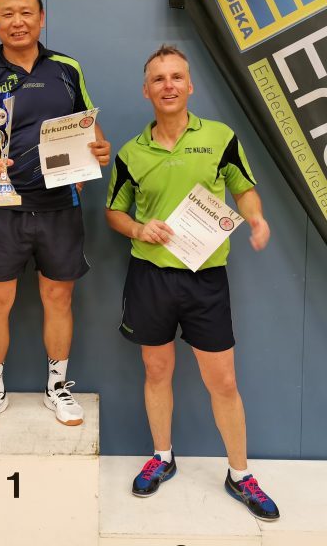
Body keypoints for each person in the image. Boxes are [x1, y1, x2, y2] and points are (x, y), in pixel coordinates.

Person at [105, 45, 279, 521]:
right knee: (157, 371)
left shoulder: (221, 137)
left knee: (223, 381)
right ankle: (162, 457)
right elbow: (113, 212)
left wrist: (256, 218)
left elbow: (244, 188)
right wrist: (138, 228)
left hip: (206, 279)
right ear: (146, 90)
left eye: (176, 77)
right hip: (150, 278)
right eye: (158, 79)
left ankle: (240, 474)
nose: (169, 85)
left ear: (190, 85)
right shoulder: (131, 152)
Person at [0, 0, 110, 431]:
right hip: (3, 206)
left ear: (41, 17)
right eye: (7, 13)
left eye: (26, 12)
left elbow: (88, 126)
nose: (17, 21)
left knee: (58, 298)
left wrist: (99, 149)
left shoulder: (67, 67)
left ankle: (57, 387)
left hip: (60, 205)